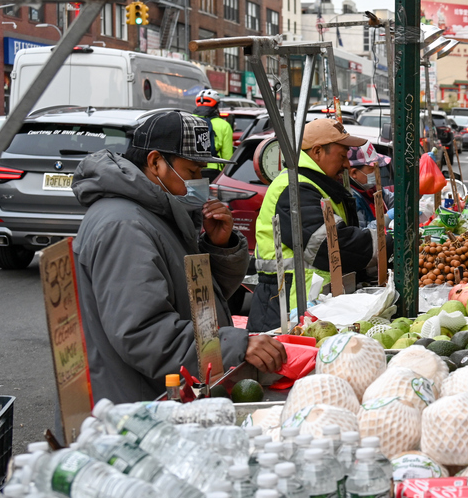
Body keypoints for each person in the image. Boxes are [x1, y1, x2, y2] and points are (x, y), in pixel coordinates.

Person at [72, 110, 287, 405]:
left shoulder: (161, 213)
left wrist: (218, 246)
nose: (202, 181)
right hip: (137, 404)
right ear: (156, 162)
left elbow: (198, 299)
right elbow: (144, 334)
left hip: (168, 395)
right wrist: (236, 345)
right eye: (193, 171)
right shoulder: (124, 227)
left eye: (203, 172)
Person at [247, 118, 375, 332]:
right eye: (342, 156)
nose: (346, 165)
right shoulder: (294, 188)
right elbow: (330, 244)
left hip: (310, 309)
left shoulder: (315, 185)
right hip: (287, 313)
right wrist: (387, 243)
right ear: (317, 152)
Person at [347, 141, 392, 228]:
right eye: (371, 169)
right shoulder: (352, 200)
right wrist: (386, 218)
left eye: (378, 168)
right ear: (354, 173)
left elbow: (393, 199)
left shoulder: (371, 189)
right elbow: (362, 234)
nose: (377, 173)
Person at [193, 90, 234, 161]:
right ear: (217, 106)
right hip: (214, 168)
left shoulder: (187, 121)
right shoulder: (224, 125)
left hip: (192, 168)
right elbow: (227, 157)